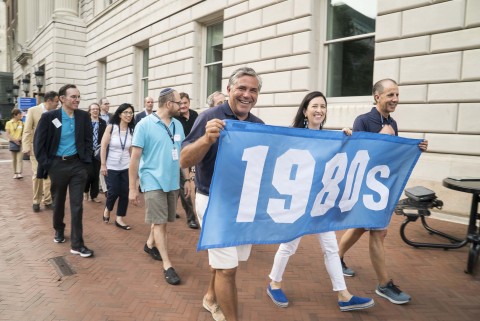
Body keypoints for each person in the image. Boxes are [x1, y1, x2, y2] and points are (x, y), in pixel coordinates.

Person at [266, 91, 374, 312]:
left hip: (320, 203)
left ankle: (344, 294)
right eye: (315, 106)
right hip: (298, 202)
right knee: (289, 245)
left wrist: (346, 138)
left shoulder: (331, 137)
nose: (319, 110)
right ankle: (274, 283)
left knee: (331, 248)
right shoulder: (294, 135)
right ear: (305, 110)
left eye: (323, 106)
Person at [181, 67, 264, 321]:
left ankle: (210, 297)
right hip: (214, 202)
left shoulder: (258, 125)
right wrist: (206, 139)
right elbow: (184, 159)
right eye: (241, 88)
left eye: (253, 90)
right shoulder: (210, 117)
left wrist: (341, 140)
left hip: (244, 204)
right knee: (228, 270)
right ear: (229, 90)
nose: (247, 94)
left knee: (228, 263)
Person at [338, 78, 428, 305]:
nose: (395, 99)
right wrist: (382, 138)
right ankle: (384, 284)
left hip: (382, 187)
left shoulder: (393, 122)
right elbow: (358, 155)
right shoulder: (363, 120)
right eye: (390, 95)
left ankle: (335, 257)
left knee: (360, 227)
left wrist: (414, 148)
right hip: (366, 187)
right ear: (377, 97)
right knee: (377, 232)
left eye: (397, 95)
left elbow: (392, 154)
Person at [129, 88, 191, 286]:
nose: (181, 106)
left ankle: (149, 244)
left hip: (172, 180)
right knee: (160, 223)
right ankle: (167, 265)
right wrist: (132, 188)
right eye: (178, 102)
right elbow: (135, 158)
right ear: (168, 104)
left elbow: (182, 155)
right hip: (152, 180)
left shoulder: (178, 125)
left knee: (161, 220)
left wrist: (188, 179)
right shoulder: (144, 125)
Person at [34, 84, 94, 258]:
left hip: (77, 166)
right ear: (62, 99)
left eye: (78, 96)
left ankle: (77, 244)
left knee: (77, 205)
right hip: (57, 166)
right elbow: (39, 144)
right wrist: (49, 165)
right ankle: (59, 229)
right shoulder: (50, 117)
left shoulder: (83, 116)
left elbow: (88, 141)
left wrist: (85, 163)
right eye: (73, 97)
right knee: (58, 202)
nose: (77, 100)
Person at [22, 91, 59, 212]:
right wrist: (26, 147)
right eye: (56, 102)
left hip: (50, 150)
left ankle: (47, 200)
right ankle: (36, 201)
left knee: (49, 176)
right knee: (37, 175)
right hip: (36, 149)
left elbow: (58, 129)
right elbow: (27, 129)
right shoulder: (33, 110)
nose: (57, 104)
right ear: (49, 101)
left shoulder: (55, 114)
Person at [100, 103, 135, 230]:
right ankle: (108, 209)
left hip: (126, 166)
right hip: (111, 166)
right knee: (113, 191)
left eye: (131, 113)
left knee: (125, 193)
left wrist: (133, 167)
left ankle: (120, 218)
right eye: (126, 112)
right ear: (119, 114)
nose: (128, 115)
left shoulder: (132, 130)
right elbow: (103, 146)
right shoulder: (111, 127)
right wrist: (103, 165)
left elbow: (131, 150)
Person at [173, 92, 199, 229]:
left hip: (193, 153)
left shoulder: (195, 115)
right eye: (180, 103)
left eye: (185, 103)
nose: (182, 106)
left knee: (180, 186)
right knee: (185, 186)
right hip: (179, 156)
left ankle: (171, 210)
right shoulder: (175, 118)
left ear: (189, 103)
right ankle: (191, 218)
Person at [84, 103, 106, 203]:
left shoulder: (102, 122)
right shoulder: (86, 121)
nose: (95, 111)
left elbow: (104, 138)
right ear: (89, 110)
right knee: (89, 173)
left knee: (96, 173)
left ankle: (94, 195)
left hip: (98, 152)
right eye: (93, 109)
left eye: (97, 109)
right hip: (87, 151)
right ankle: (85, 191)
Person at [5, 108, 24, 179]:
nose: (21, 115)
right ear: (15, 115)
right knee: (14, 159)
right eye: (19, 114)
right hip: (13, 143)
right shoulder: (8, 123)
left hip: (20, 143)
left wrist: (20, 139)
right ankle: (15, 173)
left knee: (20, 159)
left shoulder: (22, 123)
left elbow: (24, 133)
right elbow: (8, 134)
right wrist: (15, 140)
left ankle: (19, 172)